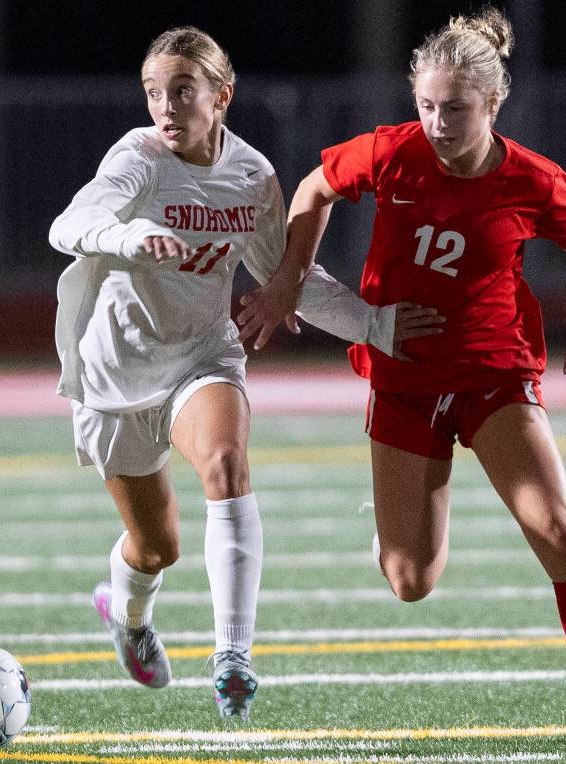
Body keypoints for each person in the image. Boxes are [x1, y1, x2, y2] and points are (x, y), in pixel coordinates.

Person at [237, 6, 566, 752]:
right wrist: (287, 279)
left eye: (457, 109)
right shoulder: (392, 152)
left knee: (560, 534)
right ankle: (397, 520)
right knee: (410, 579)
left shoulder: (533, 178)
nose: (439, 122)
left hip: (494, 378)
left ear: (494, 105)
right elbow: (312, 189)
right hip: (404, 381)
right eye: (428, 106)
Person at [48, 26, 438, 720]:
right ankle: (129, 617)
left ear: (221, 97)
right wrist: (129, 235)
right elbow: (71, 223)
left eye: (182, 92)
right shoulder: (137, 158)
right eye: (153, 93)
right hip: (117, 367)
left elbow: (289, 277)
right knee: (156, 547)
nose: (165, 107)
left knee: (227, 464)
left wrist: (374, 325)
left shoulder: (252, 176)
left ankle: (233, 656)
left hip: (202, 355)